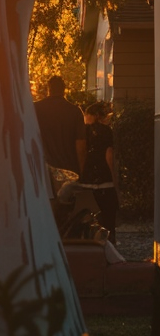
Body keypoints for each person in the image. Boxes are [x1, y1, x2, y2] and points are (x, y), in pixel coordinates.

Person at [78, 101, 118, 238]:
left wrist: (81, 173)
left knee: (87, 217)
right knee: (108, 216)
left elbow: (81, 152)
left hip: (87, 179)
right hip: (104, 180)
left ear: (93, 115)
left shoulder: (83, 131)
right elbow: (109, 155)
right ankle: (109, 243)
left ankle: (90, 244)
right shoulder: (107, 131)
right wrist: (114, 178)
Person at [34, 75, 86, 175]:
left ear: (48, 89)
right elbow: (81, 146)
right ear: (64, 89)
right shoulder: (75, 112)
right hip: (69, 170)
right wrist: (82, 171)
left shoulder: (35, 109)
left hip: (44, 170)